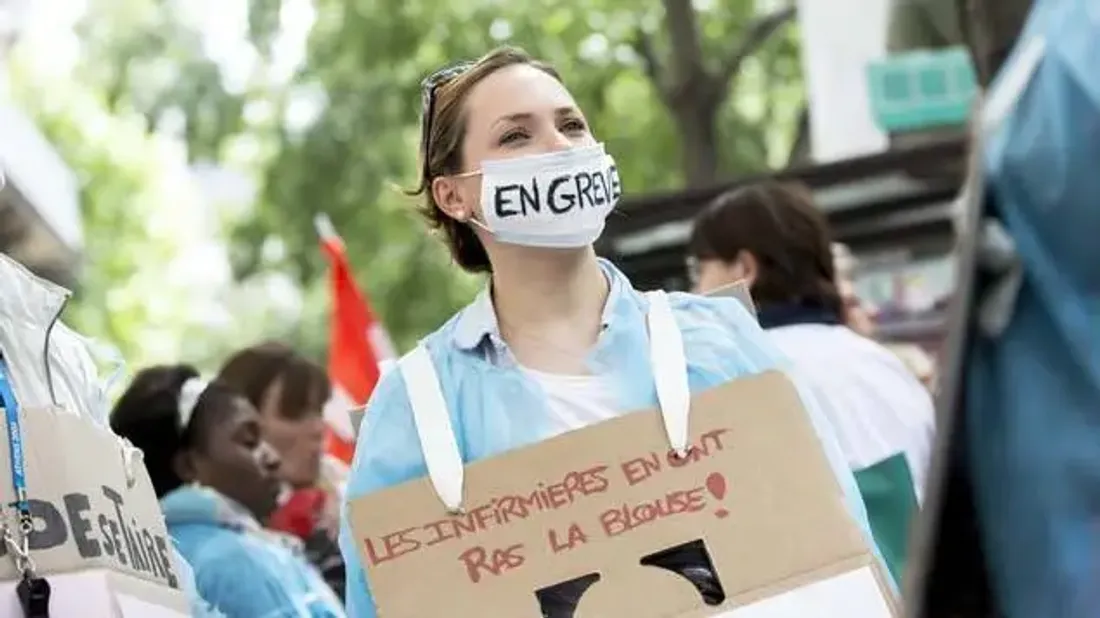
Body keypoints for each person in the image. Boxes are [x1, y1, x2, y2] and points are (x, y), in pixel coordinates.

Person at [338, 46, 885, 617]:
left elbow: (838, 549)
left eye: (571, 124)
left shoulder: (719, 338)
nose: (559, 147)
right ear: (452, 195)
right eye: (516, 136)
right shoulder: (417, 409)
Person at [688, 180, 935, 581]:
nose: (695, 290)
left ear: (745, 270)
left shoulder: (731, 379)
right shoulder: (887, 367)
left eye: (700, 269)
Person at [110, 364, 345, 618]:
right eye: (249, 442)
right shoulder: (230, 561)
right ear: (189, 466)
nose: (272, 458)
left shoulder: (167, 553)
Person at [217, 342, 346, 600]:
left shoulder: (351, 504)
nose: (318, 429)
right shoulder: (209, 545)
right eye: (295, 413)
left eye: (318, 411)